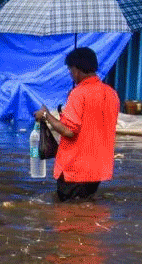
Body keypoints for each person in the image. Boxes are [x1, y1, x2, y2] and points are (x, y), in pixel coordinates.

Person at [33, 47, 120, 202]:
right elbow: (91, 123)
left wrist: (45, 115)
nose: (70, 74)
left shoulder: (79, 93)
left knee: (66, 216)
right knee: (84, 212)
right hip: (97, 170)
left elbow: (69, 131)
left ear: (76, 70)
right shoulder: (111, 93)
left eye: (70, 70)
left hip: (75, 169)